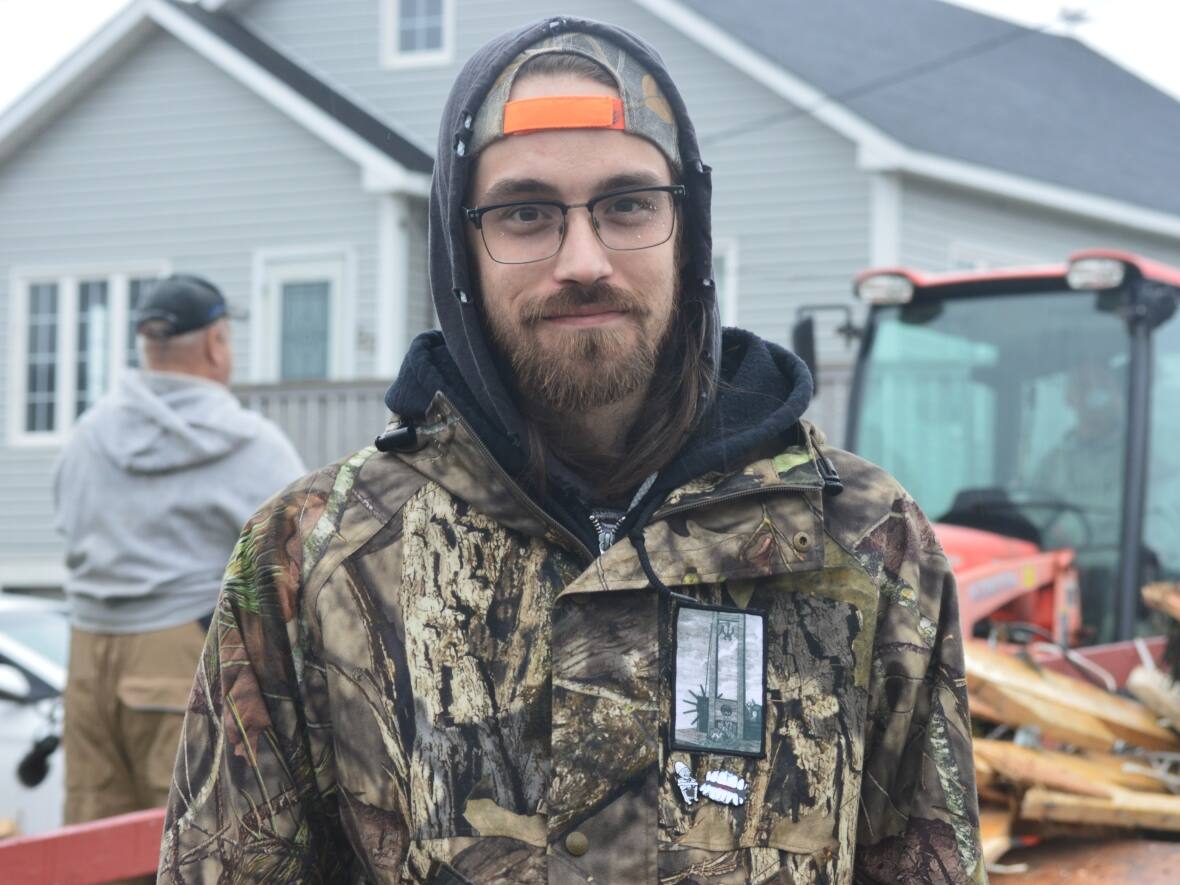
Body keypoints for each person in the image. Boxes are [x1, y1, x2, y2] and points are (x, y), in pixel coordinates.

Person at [159, 20, 984, 884]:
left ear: (689, 230)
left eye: (628, 204)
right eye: (525, 213)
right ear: (459, 249)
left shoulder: (862, 538)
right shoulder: (312, 557)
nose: (583, 260)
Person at [53, 274, 305, 836]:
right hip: (181, 655)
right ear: (217, 344)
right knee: (189, 842)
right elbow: (300, 556)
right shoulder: (248, 444)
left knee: (93, 851)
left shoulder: (88, 435)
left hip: (88, 658)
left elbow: (67, 523)